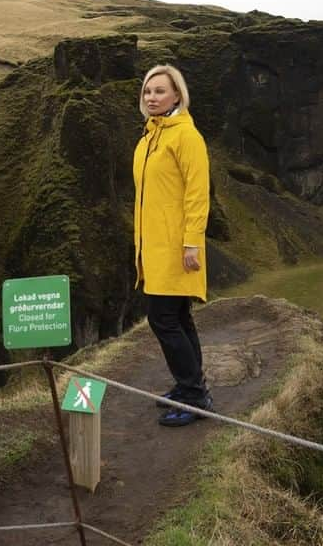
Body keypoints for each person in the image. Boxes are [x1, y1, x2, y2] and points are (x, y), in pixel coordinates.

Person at [132, 64, 213, 427]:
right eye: (148, 91)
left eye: (160, 91)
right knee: (178, 317)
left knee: (163, 319)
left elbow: (198, 194)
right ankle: (191, 386)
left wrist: (192, 243)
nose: (152, 97)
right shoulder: (148, 138)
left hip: (177, 248)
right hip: (154, 247)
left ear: (177, 95)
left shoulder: (185, 136)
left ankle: (195, 394)